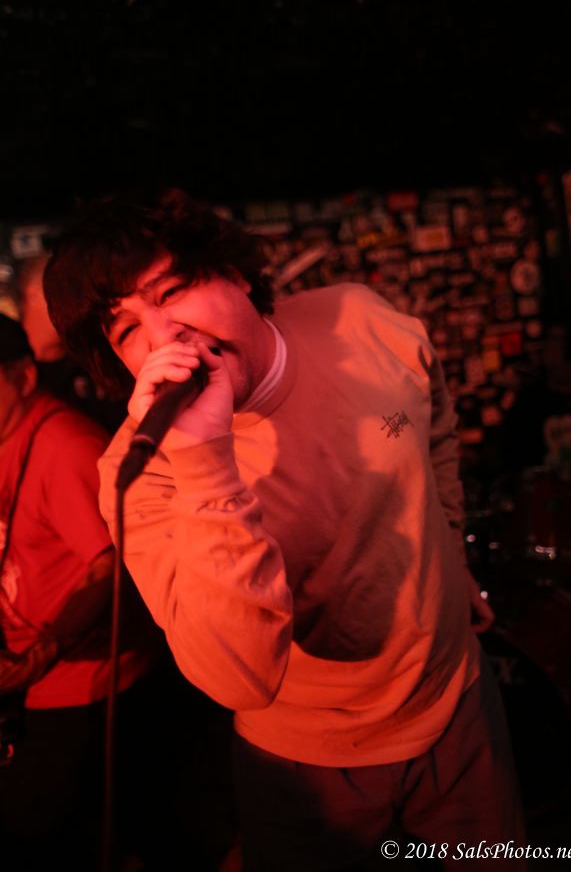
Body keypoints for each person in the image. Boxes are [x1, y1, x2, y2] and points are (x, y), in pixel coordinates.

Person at [44, 189, 526, 871]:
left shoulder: (359, 318)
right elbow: (238, 678)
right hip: (307, 766)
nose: (163, 336)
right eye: (126, 331)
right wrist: (205, 461)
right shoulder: (141, 471)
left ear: (235, 273)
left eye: (172, 291)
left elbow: (434, 421)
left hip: (458, 704)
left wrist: (451, 549)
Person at [0, 313, 159, 872]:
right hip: (30, 678)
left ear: (23, 377)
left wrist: (44, 651)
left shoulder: (64, 446)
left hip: (78, 683)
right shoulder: (8, 433)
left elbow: (113, 565)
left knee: (49, 838)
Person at [18, 251, 126, 432]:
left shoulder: (98, 361)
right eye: (68, 290)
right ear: (34, 292)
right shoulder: (10, 370)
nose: (77, 303)